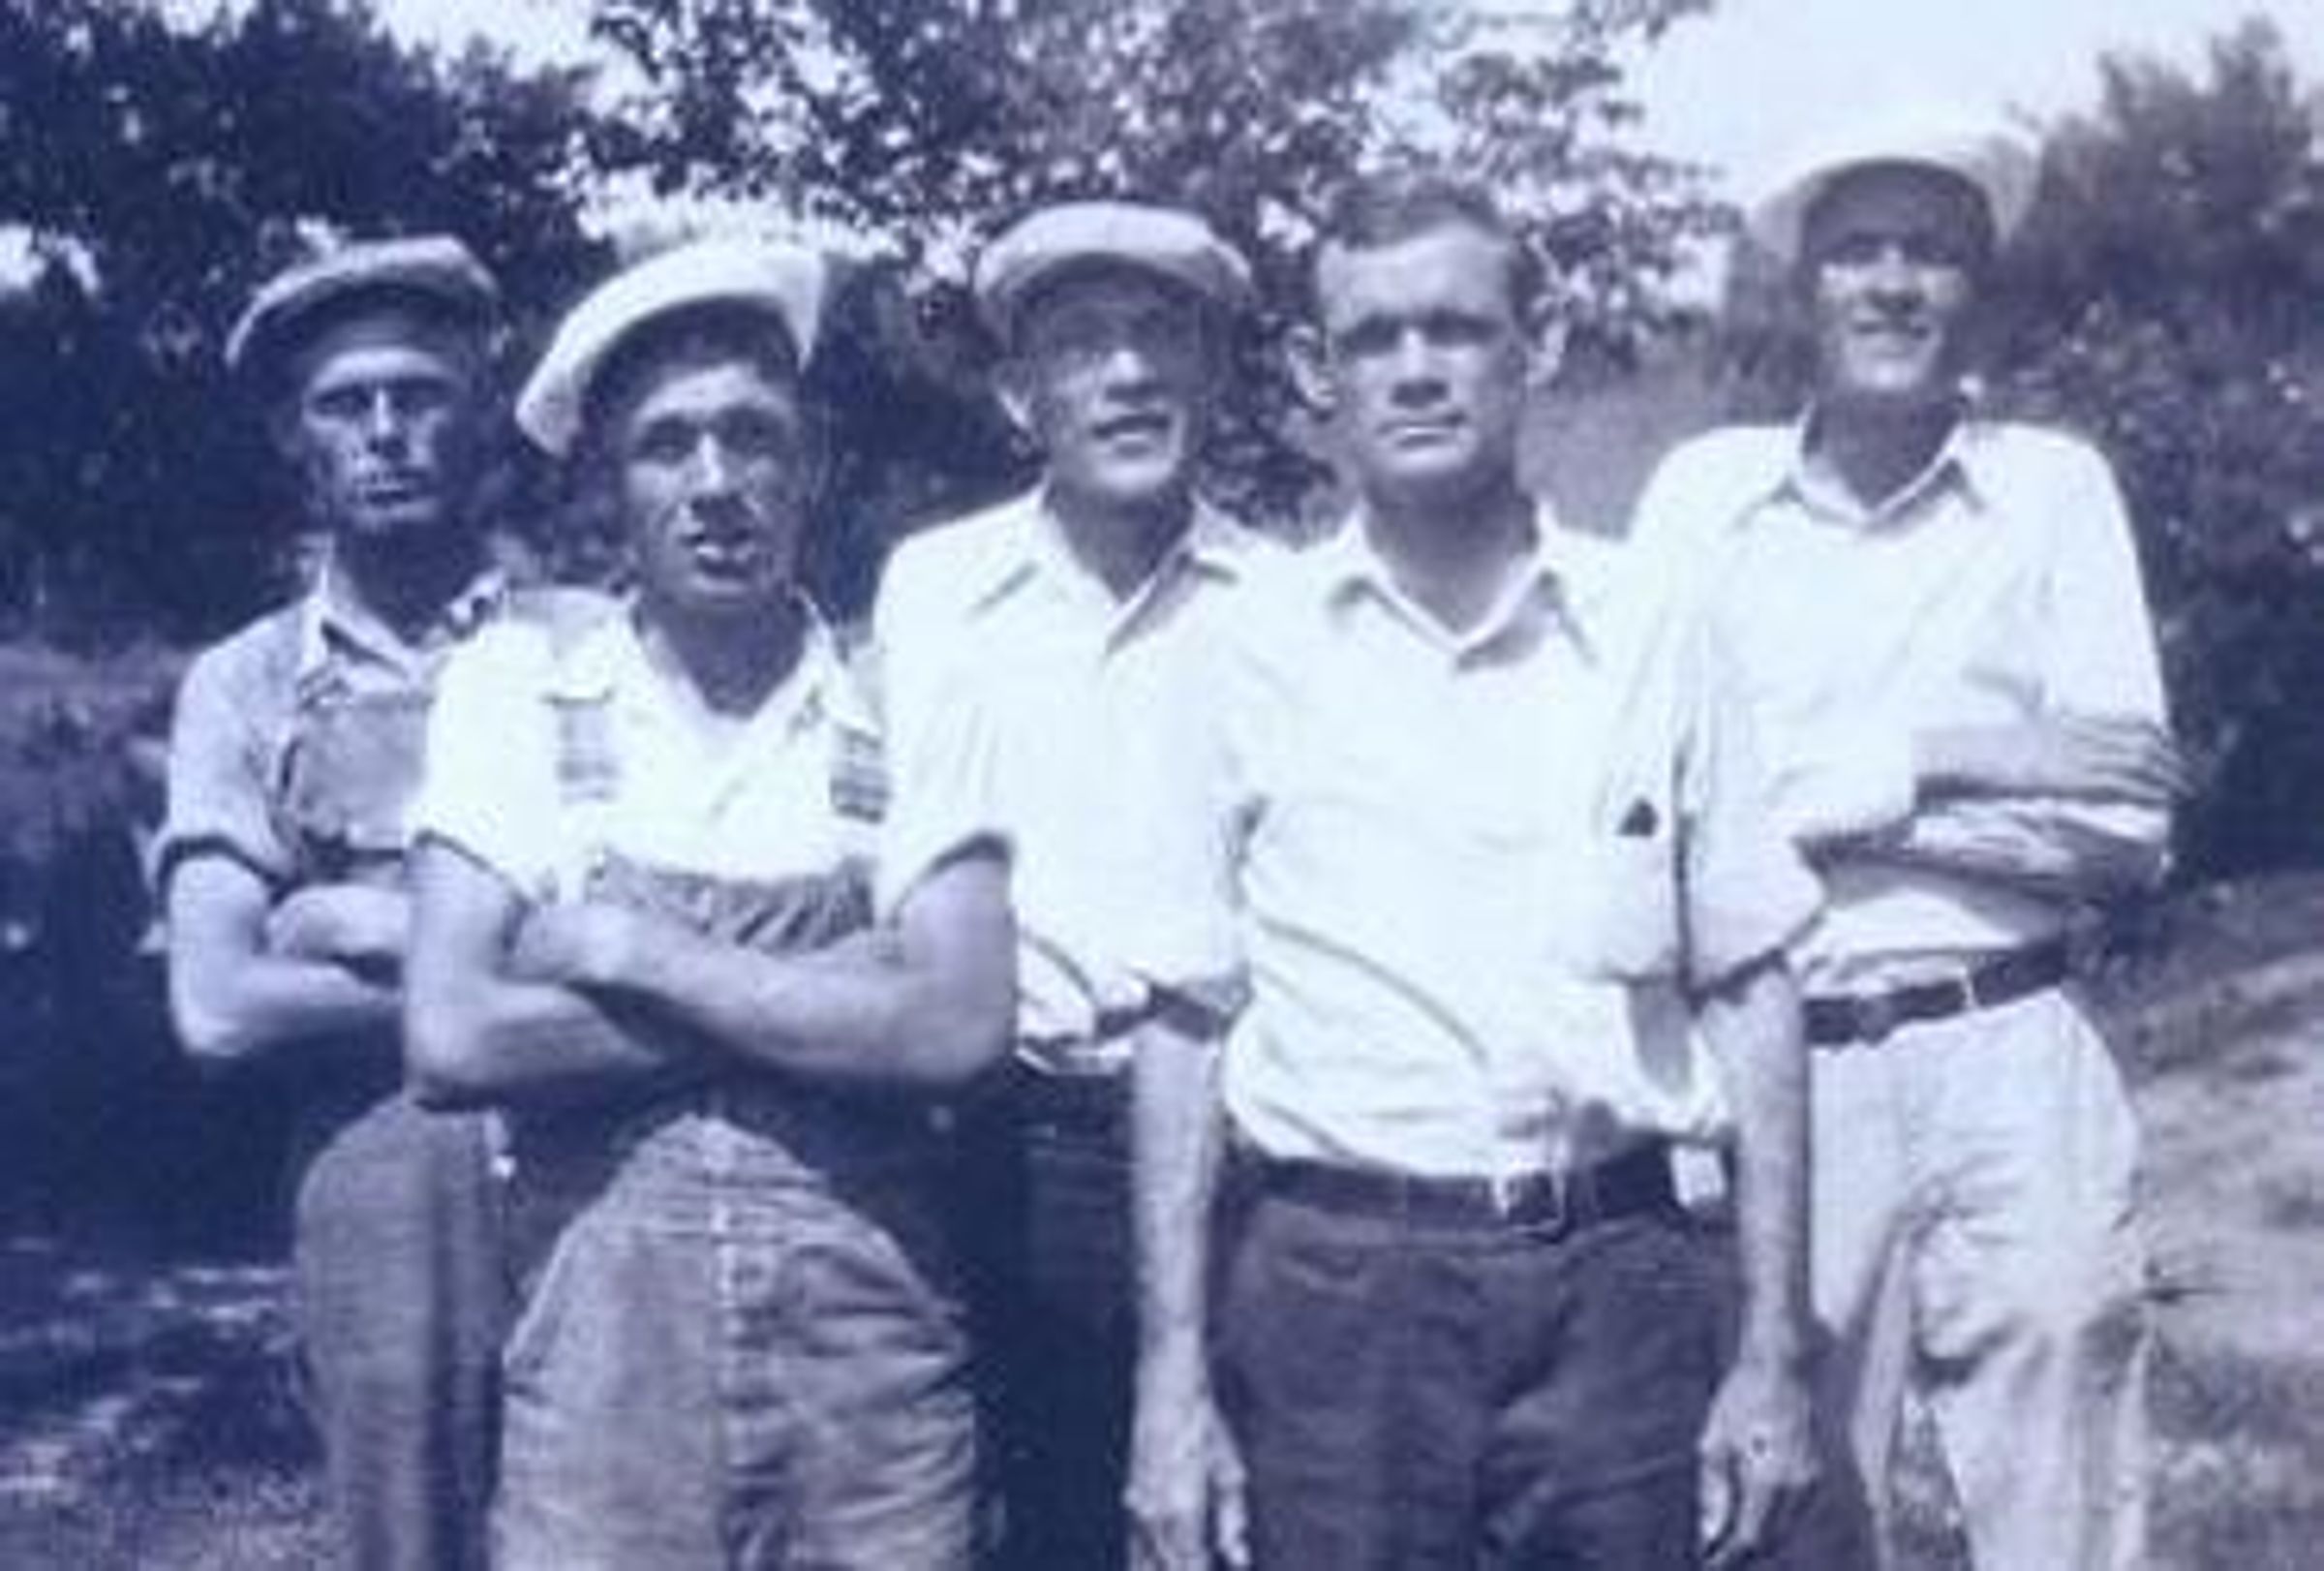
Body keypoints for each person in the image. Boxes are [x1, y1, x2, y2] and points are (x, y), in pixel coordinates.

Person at [1121, 171, 1823, 1571]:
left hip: (1615, 1285)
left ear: (1536, 343)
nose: (1416, 369)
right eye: (1373, 339)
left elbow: (1753, 990)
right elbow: (1184, 1029)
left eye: (1454, 327)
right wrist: (1170, 1383)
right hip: (1335, 1294)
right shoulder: (1242, 648)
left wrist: (1773, 1350)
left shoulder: (1654, 623)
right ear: (1320, 374)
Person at [402, 236, 1016, 1571]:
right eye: (667, 445)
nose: (717, 483)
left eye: (753, 436)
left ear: (815, 464)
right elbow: (452, 1035)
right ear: (609, 487)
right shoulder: (518, 692)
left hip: (873, 1368)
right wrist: (842, 992)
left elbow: (963, 1023)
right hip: (602, 1367)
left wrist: (630, 952)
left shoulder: (909, 693)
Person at [1629, 113, 2179, 1571]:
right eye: (1857, 251)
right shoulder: (1704, 503)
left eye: (1929, 252)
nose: (1891, 284)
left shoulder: (2053, 489)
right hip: (1780, 1064)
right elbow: (1671, 817)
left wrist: (1809, 811)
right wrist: (1961, 753)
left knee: (2069, 1511)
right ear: (1801, 288)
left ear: (1974, 287)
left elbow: (2124, 824)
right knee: (1779, 1507)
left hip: (2018, 1056)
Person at [872, 199, 1263, 1571]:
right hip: (997, 1141)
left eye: (1163, 337)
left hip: (1235, 1151)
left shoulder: (1279, 608)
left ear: (1213, 375)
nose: (1130, 374)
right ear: (1016, 392)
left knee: (1210, 1521)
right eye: (1083, 343)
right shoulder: (933, 594)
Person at [160, 235, 514, 1571]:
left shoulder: (590, 642)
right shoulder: (245, 684)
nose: (386, 433)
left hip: (601, 1169)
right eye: (344, 404)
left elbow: (671, 936)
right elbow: (222, 1005)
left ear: (482, 412)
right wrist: (497, 956)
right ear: (293, 440)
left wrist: (345, 920)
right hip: (381, 1190)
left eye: (420, 394)